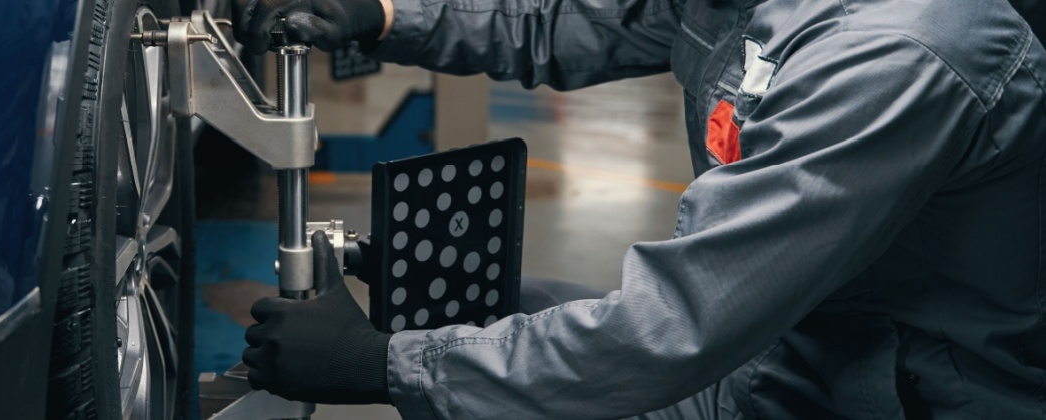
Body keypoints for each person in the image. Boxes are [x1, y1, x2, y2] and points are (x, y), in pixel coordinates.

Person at [235, 0, 1046, 418]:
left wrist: (381, 366)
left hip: (897, 402)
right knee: (509, 309)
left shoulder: (897, 52)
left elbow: (674, 329)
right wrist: (380, 15)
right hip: (783, 363)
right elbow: (567, 19)